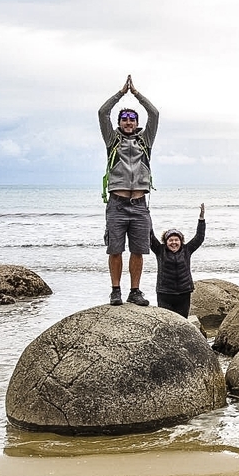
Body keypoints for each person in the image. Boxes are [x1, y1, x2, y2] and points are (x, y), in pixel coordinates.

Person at [98, 74, 159, 306]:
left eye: (132, 119)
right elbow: (102, 113)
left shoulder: (146, 140)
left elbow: (154, 114)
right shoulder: (112, 140)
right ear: (119, 123)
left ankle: (135, 291)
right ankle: (115, 290)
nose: (128, 122)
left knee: (139, 250)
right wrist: (121, 94)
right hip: (117, 203)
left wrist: (137, 95)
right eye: (124, 119)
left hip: (140, 204)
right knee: (115, 250)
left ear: (136, 123)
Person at [149, 204, 206, 317]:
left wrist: (201, 219)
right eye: (171, 240)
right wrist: (146, 216)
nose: (174, 242)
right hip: (164, 293)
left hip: (184, 293)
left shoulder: (187, 250)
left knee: (182, 321)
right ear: (166, 242)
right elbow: (149, 235)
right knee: (166, 322)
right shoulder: (159, 250)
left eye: (176, 240)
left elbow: (199, 237)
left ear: (181, 241)